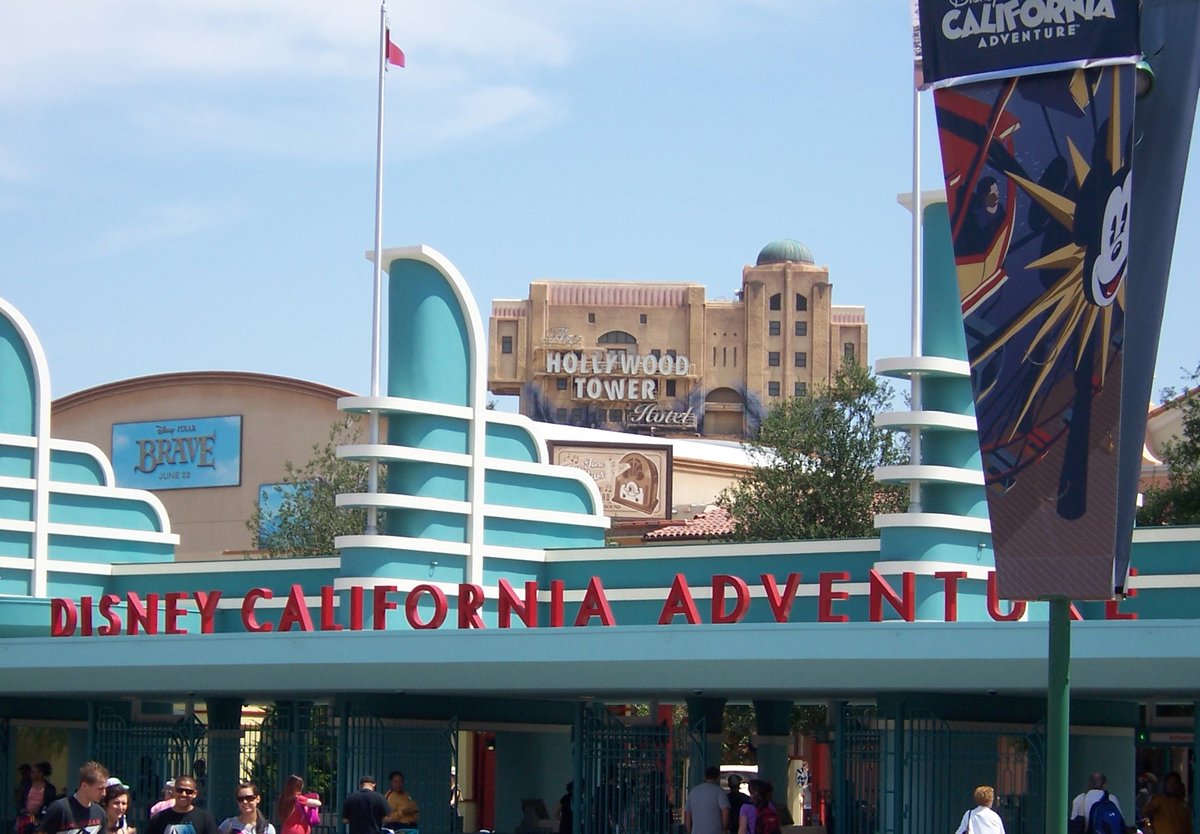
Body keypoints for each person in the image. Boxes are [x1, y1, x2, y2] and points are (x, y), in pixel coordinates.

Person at [36, 761, 108, 834]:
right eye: (100, 788)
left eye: (105, 788)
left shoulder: (100, 814)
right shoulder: (60, 809)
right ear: (84, 786)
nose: (104, 793)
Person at [145, 775, 218, 834]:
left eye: (189, 791)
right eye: (180, 790)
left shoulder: (205, 819)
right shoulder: (158, 819)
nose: (184, 794)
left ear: (195, 794)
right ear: (173, 791)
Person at [684, 767, 729, 834]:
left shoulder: (693, 791)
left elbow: (687, 813)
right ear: (718, 777)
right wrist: (724, 829)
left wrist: (689, 830)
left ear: (705, 776)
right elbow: (726, 812)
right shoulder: (719, 792)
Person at [21, 762, 59, 834]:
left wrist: (39, 813)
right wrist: (23, 810)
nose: (31, 774)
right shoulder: (26, 785)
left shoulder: (49, 788)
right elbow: (20, 799)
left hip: (40, 819)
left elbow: (50, 804)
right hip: (25, 817)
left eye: (33, 772)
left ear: (40, 774)